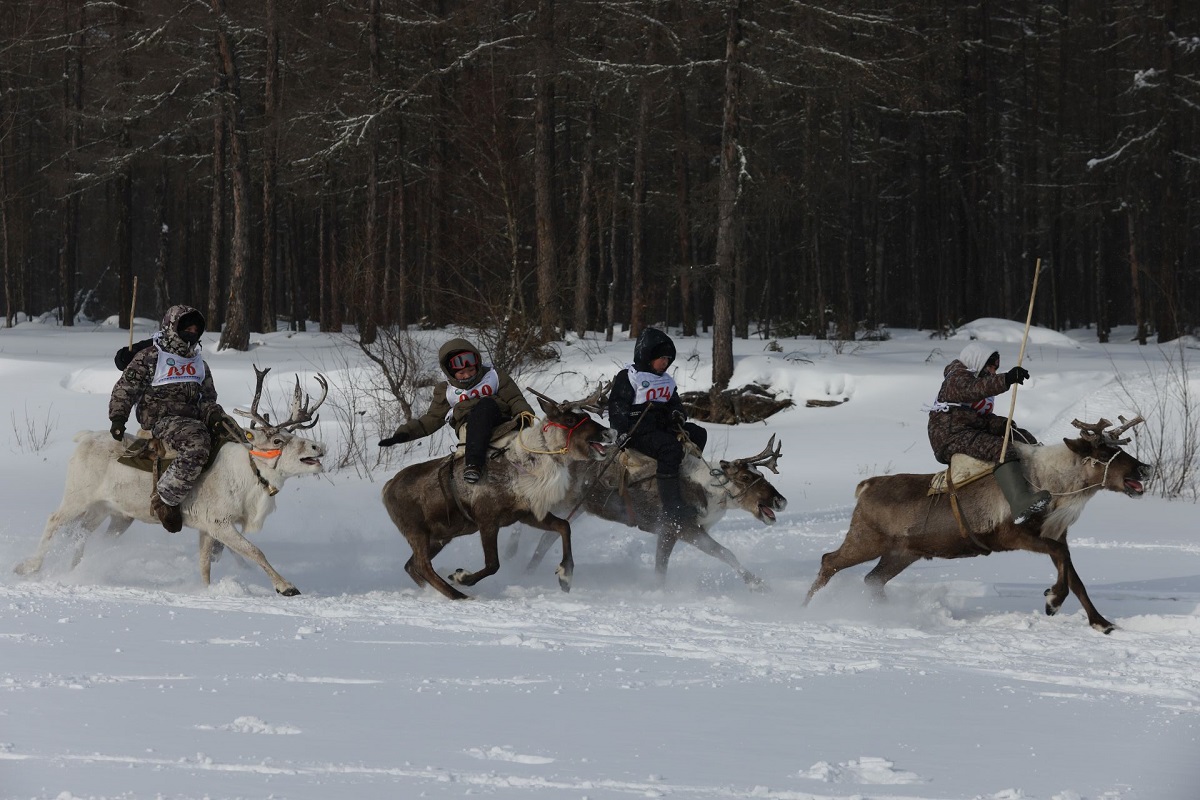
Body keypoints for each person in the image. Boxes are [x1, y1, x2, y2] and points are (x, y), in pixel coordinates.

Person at [108, 305, 228, 533]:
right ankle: (166, 497)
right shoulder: (152, 356)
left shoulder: (198, 362)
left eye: (196, 328)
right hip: (161, 418)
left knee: (230, 436)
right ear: (173, 328)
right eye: (186, 327)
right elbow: (126, 387)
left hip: (193, 417)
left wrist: (214, 415)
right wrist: (118, 417)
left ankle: (220, 506)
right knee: (198, 442)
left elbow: (207, 396)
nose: (192, 332)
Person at [378, 338, 535, 484]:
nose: (467, 375)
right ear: (451, 373)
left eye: (471, 370)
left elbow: (514, 399)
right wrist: (404, 433)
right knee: (482, 408)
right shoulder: (446, 391)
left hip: (501, 419)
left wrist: (524, 415)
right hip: (470, 427)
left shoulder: (493, 376)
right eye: (461, 373)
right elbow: (432, 418)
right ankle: (473, 464)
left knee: (488, 405)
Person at [927, 342, 1050, 524]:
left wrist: (1002, 425)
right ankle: (1020, 504)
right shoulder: (957, 378)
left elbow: (976, 417)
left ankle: (1038, 483)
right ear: (978, 362)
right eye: (990, 366)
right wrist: (1006, 379)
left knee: (1020, 435)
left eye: (996, 368)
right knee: (1001, 448)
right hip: (950, 436)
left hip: (967, 430)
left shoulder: (973, 378)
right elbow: (974, 389)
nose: (992, 371)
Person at [608, 327, 707, 530]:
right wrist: (620, 431)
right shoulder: (629, 376)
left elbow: (675, 404)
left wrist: (677, 415)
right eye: (661, 357)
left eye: (668, 359)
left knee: (698, 433)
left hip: (663, 428)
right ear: (647, 355)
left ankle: (682, 482)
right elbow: (617, 406)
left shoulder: (666, 381)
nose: (665, 362)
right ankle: (672, 506)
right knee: (670, 448)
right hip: (637, 431)